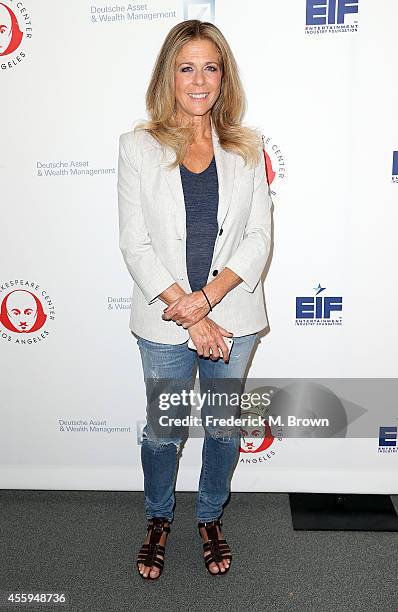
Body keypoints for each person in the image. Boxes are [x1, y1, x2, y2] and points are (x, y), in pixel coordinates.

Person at [117, 19, 272, 581]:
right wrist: (188, 311)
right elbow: (134, 242)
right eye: (187, 67)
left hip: (231, 314)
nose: (199, 79)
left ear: (223, 75)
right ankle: (159, 518)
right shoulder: (138, 146)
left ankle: (210, 517)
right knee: (165, 430)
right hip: (165, 318)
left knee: (225, 428)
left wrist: (206, 301)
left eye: (211, 66)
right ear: (169, 76)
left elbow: (258, 238)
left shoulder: (247, 148)